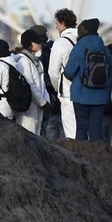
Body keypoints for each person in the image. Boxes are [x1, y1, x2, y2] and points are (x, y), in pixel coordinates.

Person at [63, 17, 112, 141]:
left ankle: (80, 157)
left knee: (81, 128)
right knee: (96, 128)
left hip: (81, 95)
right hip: (101, 95)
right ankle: (96, 156)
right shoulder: (103, 48)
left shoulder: (79, 48)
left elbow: (69, 72)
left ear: (83, 31)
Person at [47, 8, 79, 139]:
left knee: (71, 130)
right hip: (86, 90)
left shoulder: (60, 43)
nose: (55, 26)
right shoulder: (83, 40)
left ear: (63, 23)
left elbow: (53, 71)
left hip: (68, 92)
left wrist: (57, 88)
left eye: (57, 23)